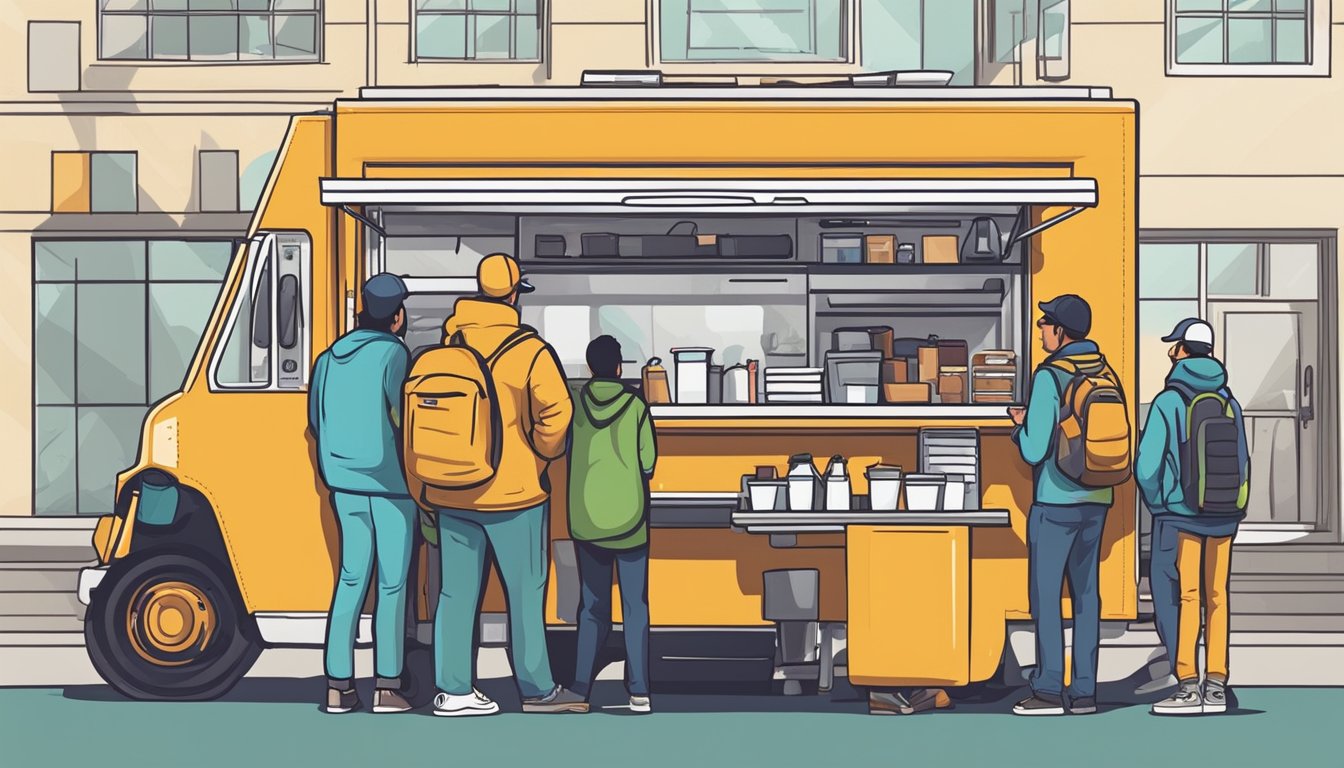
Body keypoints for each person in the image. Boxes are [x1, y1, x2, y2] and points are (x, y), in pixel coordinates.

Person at [426, 253, 580, 717]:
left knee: (455, 594)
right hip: (515, 495)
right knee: (525, 594)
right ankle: (536, 690)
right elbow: (557, 414)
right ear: (514, 295)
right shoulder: (530, 350)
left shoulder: (447, 344)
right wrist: (539, 453)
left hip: (452, 490)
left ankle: (453, 692)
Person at [308, 273, 417, 715]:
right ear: (396, 316)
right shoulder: (395, 354)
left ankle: (338, 685)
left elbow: (315, 421)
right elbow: (403, 417)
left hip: (343, 483)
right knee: (391, 584)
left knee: (351, 579)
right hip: (390, 484)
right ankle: (387, 686)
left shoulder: (328, 359)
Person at [1008, 294, 1118, 717]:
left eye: (1045, 324)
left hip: (1056, 499)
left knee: (1047, 595)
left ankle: (1050, 690)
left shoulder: (1050, 376)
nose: (1040, 330)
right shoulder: (1104, 371)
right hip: (1098, 497)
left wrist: (1019, 427)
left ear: (1061, 331)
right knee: (1087, 596)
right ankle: (1085, 692)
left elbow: (1036, 450)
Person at [1137, 319, 1249, 716]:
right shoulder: (1228, 399)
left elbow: (1147, 466)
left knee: (1187, 596)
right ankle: (1216, 683)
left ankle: (1187, 685)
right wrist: (1236, 506)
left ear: (1182, 351)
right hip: (1223, 513)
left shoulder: (1169, 400)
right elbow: (1242, 459)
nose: (1170, 350)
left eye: (1174, 345)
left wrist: (1160, 503)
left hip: (1182, 515)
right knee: (1217, 597)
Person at [567, 335, 658, 714]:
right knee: (634, 606)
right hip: (629, 520)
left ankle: (580, 689)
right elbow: (649, 462)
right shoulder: (636, 404)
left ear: (590, 368)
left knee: (591, 606)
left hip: (587, 519)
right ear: (620, 367)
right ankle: (638, 691)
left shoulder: (575, 404)